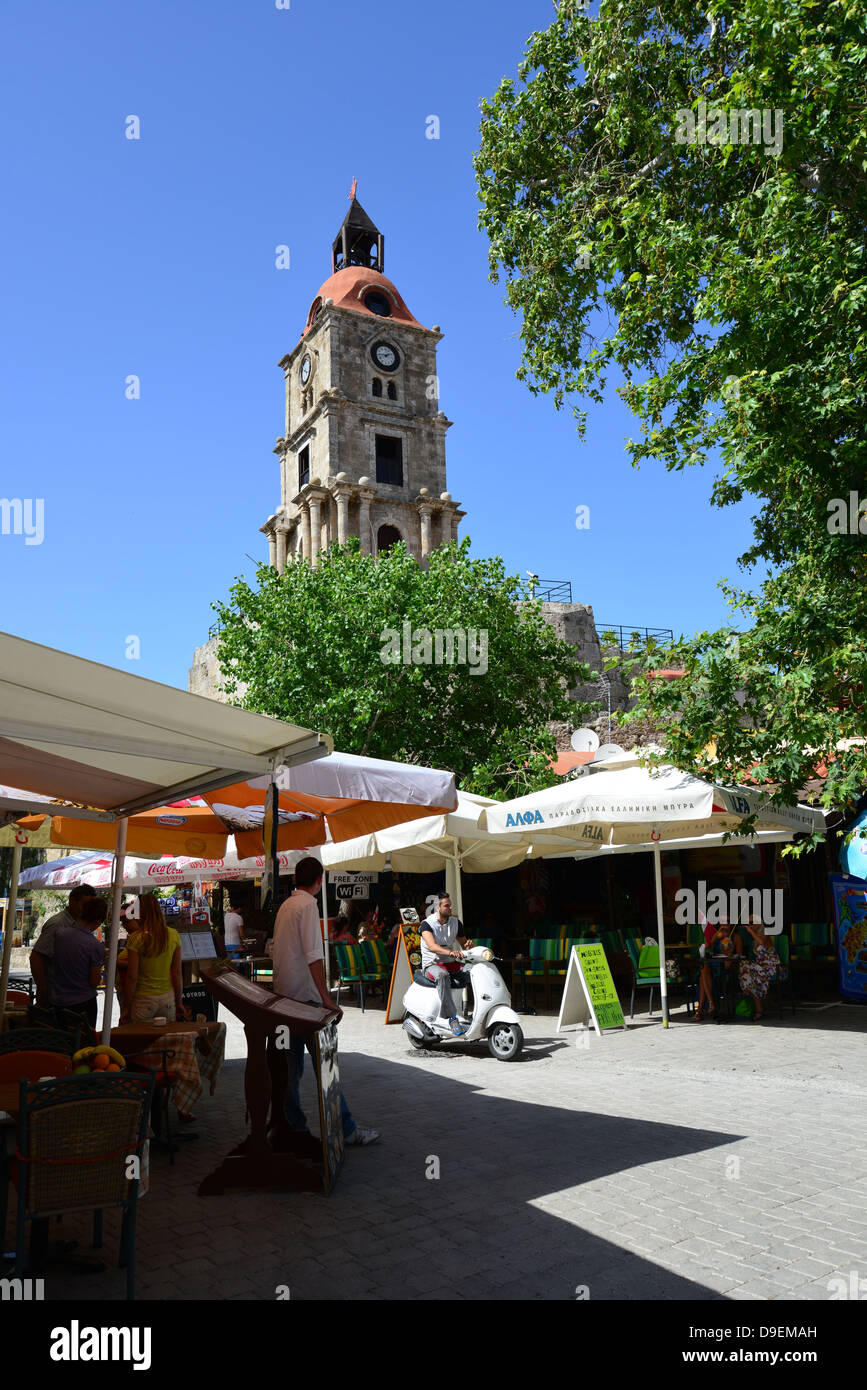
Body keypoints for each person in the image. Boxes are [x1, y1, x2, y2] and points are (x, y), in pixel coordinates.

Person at [270, 857, 379, 1146]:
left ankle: (293, 1128)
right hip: (306, 1002)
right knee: (325, 1068)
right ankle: (345, 1129)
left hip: (286, 999)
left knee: (291, 1070)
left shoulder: (286, 905)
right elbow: (313, 957)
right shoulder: (307, 905)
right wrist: (326, 999)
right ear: (318, 880)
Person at [121, 895, 190, 1026]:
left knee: (143, 1043)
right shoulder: (173, 934)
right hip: (168, 1000)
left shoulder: (135, 939)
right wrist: (179, 1002)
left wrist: (126, 1008)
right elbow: (176, 972)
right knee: (167, 1043)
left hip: (143, 999)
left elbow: (132, 977)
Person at [30, 884, 98, 1008]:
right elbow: (36, 957)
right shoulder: (58, 924)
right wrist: (43, 989)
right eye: (85, 905)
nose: (88, 910)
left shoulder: (80, 924)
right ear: (72, 901)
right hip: (57, 997)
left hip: (74, 996)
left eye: (91, 907)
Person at [420, 891, 474, 1036]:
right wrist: (450, 953)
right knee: (443, 975)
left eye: (450, 906)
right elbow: (432, 946)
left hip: (451, 962)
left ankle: (476, 1013)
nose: (450, 908)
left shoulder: (456, 922)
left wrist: (468, 945)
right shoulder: (426, 925)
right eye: (447, 906)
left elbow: (463, 944)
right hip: (431, 964)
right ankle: (452, 1019)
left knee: (475, 971)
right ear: (438, 907)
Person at [50, 896, 107, 1030]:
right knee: (83, 1044)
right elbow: (94, 982)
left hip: (58, 1001)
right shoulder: (94, 945)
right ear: (98, 921)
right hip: (83, 1004)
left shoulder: (59, 934)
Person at [738, 918, 780, 1021]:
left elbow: (761, 942)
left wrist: (751, 931)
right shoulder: (754, 937)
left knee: (748, 969)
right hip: (760, 966)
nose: (750, 925)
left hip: (771, 966)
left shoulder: (765, 933)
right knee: (748, 972)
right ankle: (758, 1009)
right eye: (748, 923)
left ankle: (746, 990)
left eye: (752, 922)